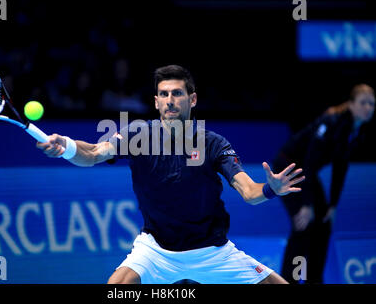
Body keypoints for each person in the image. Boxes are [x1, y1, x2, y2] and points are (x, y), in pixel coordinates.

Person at [37, 65, 305, 284]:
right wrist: (67, 147)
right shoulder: (138, 135)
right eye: (163, 95)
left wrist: (271, 189)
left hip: (212, 251)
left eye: (177, 93)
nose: (170, 101)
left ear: (192, 99)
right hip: (157, 250)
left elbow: (249, 192)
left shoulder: (213, 143)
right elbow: (95, 152)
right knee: (118, 287)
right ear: (156, 102)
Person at [274, 84, 375, 284]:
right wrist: (306, 205)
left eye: (372, 104)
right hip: (288, 167)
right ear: (352, 104)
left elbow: (340, 167)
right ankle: (289, 280)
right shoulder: (332, 122)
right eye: (363, 103)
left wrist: (333, 206)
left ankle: (315, 279)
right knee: (303, 225)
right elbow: (310, 161)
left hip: (305, 172)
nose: (368, 108)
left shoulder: (356, 131)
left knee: (324, 224)